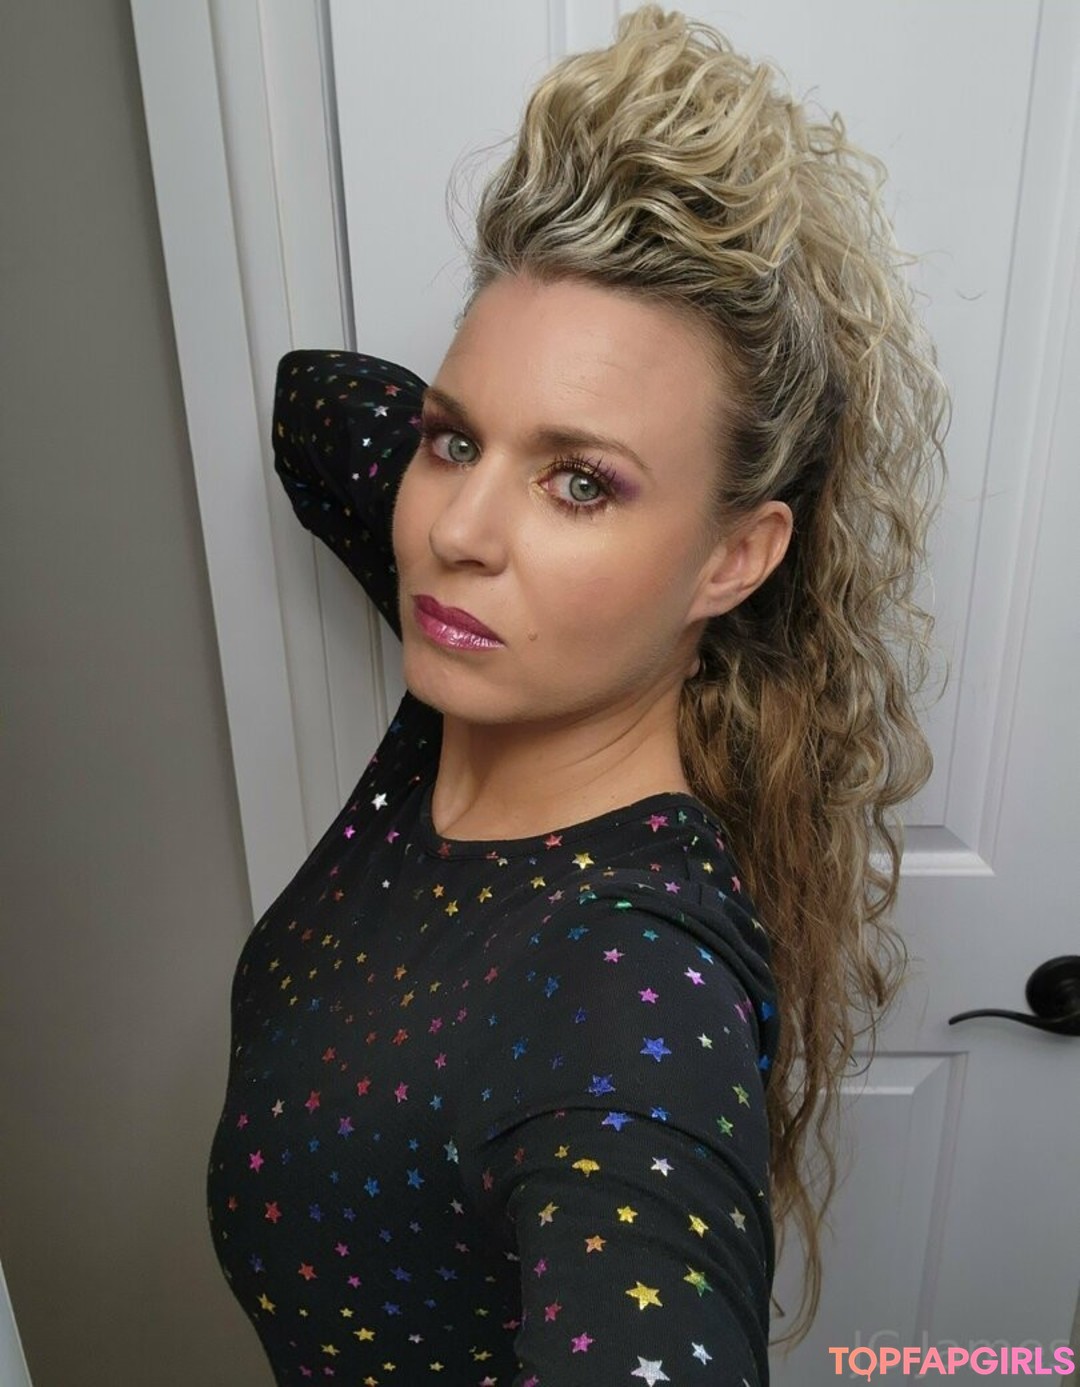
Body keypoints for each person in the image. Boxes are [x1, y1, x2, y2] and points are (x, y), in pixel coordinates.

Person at [206, 7, 948, 1385]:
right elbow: (318, 407)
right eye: (452, 441)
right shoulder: (484, 649)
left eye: (582, 483)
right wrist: (518, 437)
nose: (455, 532)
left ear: (734, 557)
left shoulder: (625, 981)